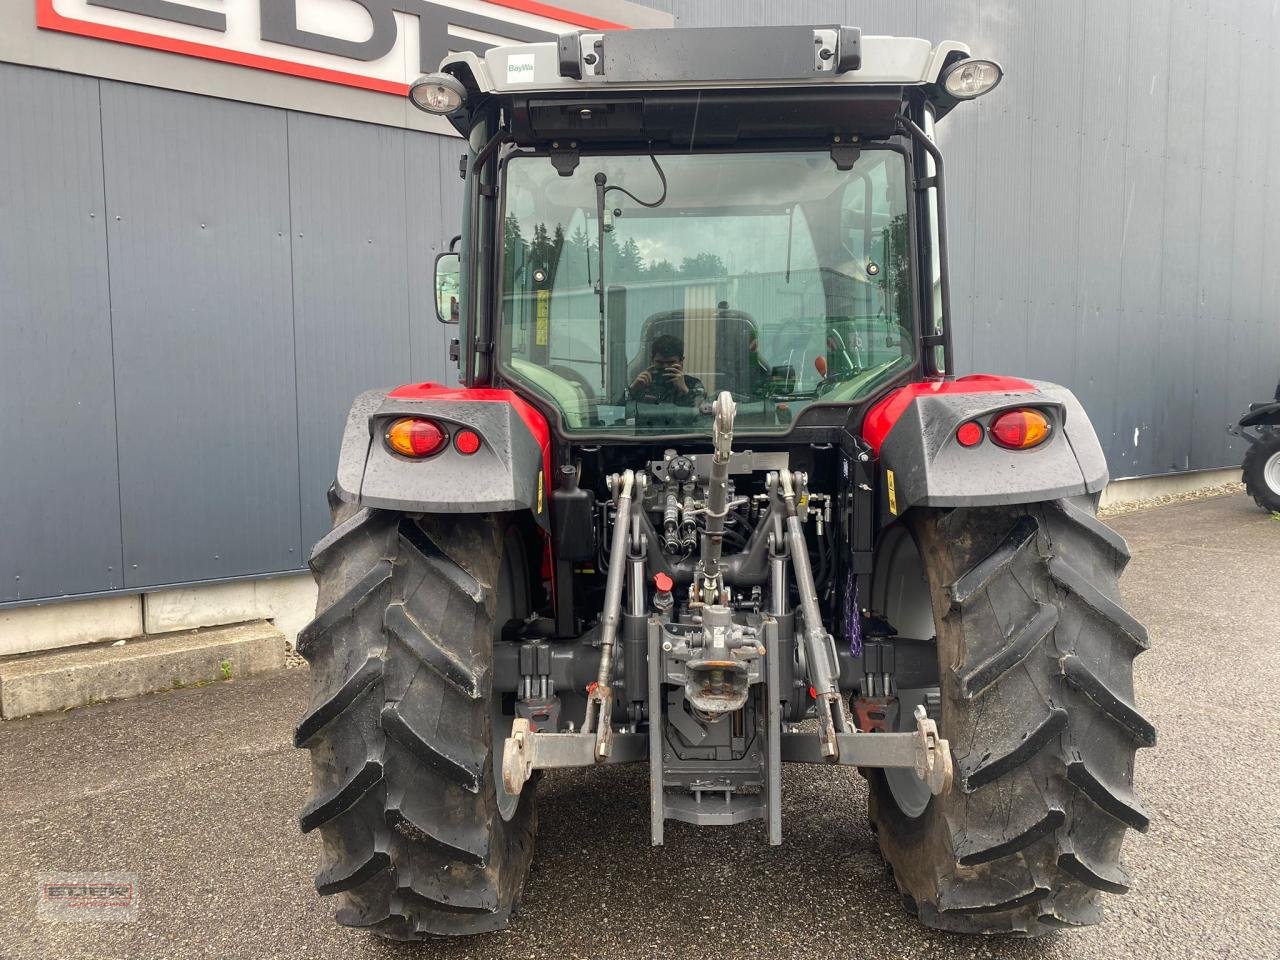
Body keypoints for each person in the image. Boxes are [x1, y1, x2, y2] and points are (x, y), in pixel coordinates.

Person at [627, 334, 704, 407]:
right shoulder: (643, 383)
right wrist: (632, 390)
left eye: (671, 363)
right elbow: (618, 412)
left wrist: (685, 390)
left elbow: (702, 413)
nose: (665, 367)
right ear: (652, 360)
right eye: (660, 363)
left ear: (681, 361)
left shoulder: (693, 384)